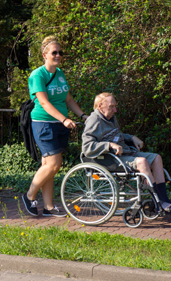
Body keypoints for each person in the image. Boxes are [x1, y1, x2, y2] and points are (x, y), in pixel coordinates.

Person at [22, 36, 88, 217]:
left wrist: (82, 115)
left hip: (59, 124)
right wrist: (64, 119)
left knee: (49, 165)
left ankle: (48, 207)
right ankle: (29, 196)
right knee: (54, 163)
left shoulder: (60, 74)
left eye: (60, 52)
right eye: (54, 52)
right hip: (44, 124)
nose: (58, 55)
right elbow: (43, 102)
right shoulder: (38, 75)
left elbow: (67, 99)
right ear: (45, 55)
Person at [82, 92, 171, 211]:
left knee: (156, 158)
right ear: (100, 106)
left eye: (115, 106)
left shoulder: (111, 118)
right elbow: (87, 146)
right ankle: (157, 201)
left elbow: (117, 135)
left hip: (124, 154)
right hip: (109, 159)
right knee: (142, 162)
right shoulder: (94, 120)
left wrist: (132, 137)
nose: (115, 110)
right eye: (111, 107)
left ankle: (163, 199)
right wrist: (109, 145)